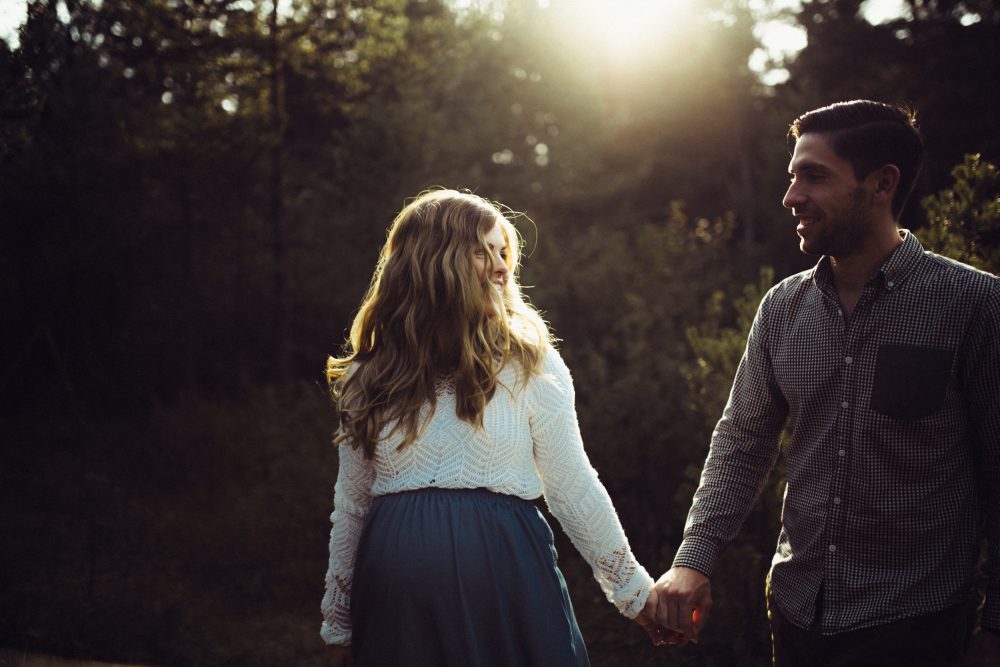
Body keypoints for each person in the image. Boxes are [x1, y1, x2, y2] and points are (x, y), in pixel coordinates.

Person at [653, 100, 1000, 666]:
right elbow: (742, 441)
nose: (791, 196)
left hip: (917, 627)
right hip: (797, 616)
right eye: (793, 176)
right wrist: (694, 559)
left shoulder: (974, 305)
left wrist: (998, 627)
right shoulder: (782, 309)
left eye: (814, 177)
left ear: (881, 184)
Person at [320, 189, 666, 666]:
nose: (502, 267)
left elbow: (572, 484)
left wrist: (635, 591)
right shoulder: (371, 374)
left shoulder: (530, 363)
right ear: (434, 263)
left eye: (504, 253)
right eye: (483, 253)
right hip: (398, 602)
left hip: (507, 578)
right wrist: (338, 624)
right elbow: (352, 503)